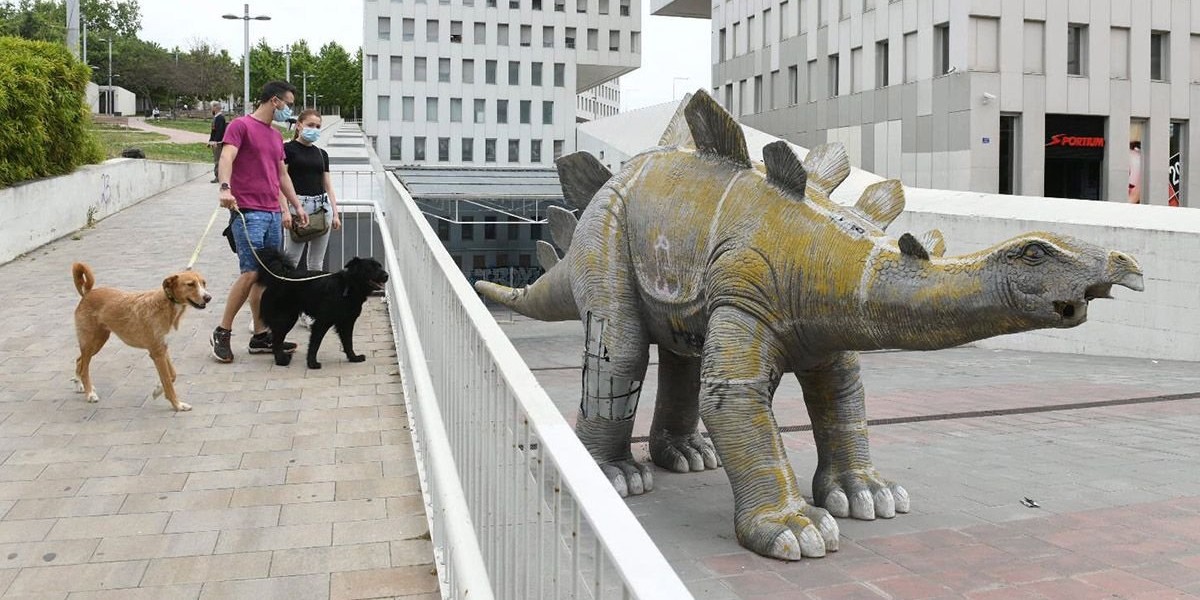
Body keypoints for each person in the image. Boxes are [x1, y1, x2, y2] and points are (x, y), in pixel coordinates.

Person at [210, 80, 309, 363]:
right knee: (251, 272)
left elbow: (281, 175)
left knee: (267, 277)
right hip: (248, 212)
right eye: (288, 103)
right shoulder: (240, 126)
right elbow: (227, 156)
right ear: (274, 101)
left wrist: (296, 205)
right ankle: (222, 331)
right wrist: (225, 187)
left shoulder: (276, 136)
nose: (289, 109)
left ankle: (260, 335)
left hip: (272, 214)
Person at [282, 109, 342, 328]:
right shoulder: (287, 149)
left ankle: (310, 309)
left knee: (316, 264)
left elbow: (328, 185)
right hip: (299, 207)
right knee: (291, 262)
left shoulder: (321, 154)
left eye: (318, 126)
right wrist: (286, 210)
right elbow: (281, 181)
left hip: (320, 208)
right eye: (310, 125)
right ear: (298, 125)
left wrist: (335, 213)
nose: (314, 130)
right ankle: (285, 306)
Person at [207, 101, 227, 184]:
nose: (211, 108)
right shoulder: (216, 117)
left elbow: (220, 131)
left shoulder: (220, 118)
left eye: (212, 107)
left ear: (215, 107)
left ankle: (218, 176)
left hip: (218, 142)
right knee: (216, 159)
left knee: (218, 159)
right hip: (215, 141)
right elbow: (213, 131)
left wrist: (215, 141)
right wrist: (210, 141)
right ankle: (218, 175)